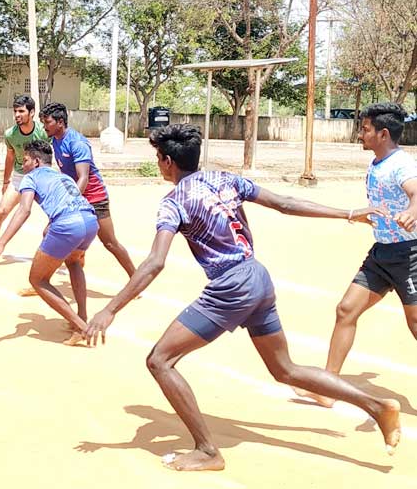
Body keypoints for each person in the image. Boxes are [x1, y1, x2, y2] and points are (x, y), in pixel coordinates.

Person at [84, 123, 401, 471]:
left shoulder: (174, 202)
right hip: (257, 277)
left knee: (160, 360)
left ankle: (207, 451)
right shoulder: (225, 179)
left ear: (169, 161)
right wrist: (348, 213)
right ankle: (377, 406)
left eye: (159, 158)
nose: (159, 164)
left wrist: (110, 310)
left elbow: (155, 262)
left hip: (231, 286)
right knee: (286, 369)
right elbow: (285, 203)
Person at [295, 103, 417, 407]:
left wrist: (412, 211)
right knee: (346, 310)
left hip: (410, 255)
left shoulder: (401, 164)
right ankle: (328, 389)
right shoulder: (377, 162)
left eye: (365, 128)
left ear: (383, 133)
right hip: (382, 253)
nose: (360, 133)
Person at [0, 140, 98, 346]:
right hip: (90, 221)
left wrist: (1, 244)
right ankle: (81, 317)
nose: (23, 163)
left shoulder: (31, 178)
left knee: (38, 279)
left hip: (68, 224)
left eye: (26, 160)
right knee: (73, 262)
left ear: (37, 162)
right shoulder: (64, 177)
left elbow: (24, 209)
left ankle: (82, 328)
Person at [40, 102, 136, 279]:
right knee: (50, 234)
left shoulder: (77, 143)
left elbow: (83, 177)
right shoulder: (54, 140)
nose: (44, 126)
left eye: (47, 122)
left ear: (60, 122)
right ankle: (43, 278)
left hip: (94, 197)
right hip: (76, 196)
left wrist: (69, 203)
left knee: (110, 242)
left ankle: (136, 279)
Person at [0, 95, 48, 274]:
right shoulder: (10, 134)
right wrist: (6, 180)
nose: (17, 115)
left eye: (21, 111)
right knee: (0, 212)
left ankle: (72, 256)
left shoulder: (43, 133)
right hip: (21, 176)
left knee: (56, 217)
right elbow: (10, 157)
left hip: (42, 176)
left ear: (32, 113)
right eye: (15, 111)